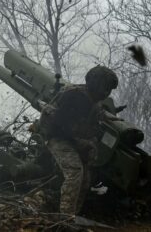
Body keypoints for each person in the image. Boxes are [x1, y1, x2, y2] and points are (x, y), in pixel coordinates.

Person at [38, 65, 118, 217]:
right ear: (95, 83)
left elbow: (93, 124)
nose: (107, 92)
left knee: (86, 179)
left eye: (109, 89)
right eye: (105, 87)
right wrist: (80, 142)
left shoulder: (94, 103)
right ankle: (65, 218)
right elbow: (59, 124)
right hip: (58, 138)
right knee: (75, 171)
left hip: (76, 141)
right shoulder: (74, 96)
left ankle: (74, 216)